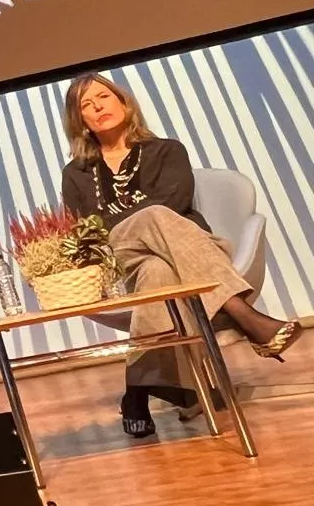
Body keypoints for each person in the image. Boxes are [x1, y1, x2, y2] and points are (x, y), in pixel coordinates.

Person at [59, 73, 302, 437]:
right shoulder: (76, 173)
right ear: (81, 122)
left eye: (103, 97)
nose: (98, 108)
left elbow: (175, 202)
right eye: (86, 105)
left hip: (181, 249)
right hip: (122, 252)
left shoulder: (167, 150)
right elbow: (90, 229)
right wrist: (133, 219)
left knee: (158, 270)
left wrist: (130, 217)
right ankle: (239, 312)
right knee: (153, 216)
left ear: (123, 103)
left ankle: (136, 393)